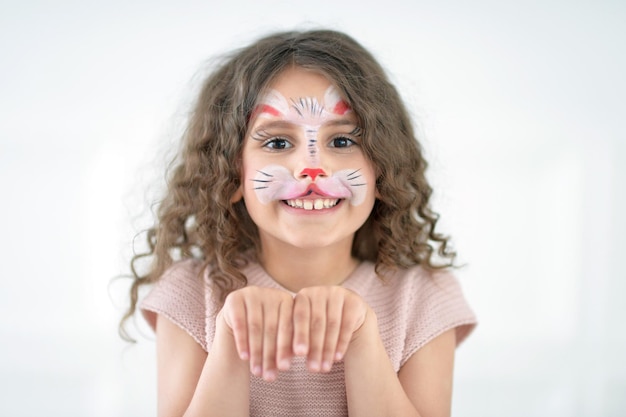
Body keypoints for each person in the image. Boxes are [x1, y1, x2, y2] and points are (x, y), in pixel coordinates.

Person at [120, 29, 477, 417]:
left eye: (341, 141)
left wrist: (361, 339)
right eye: (276, 143)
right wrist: (232, 340)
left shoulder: (425, 297)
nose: (312, 168)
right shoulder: (191, 293)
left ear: (383, 167)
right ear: (231, 172)